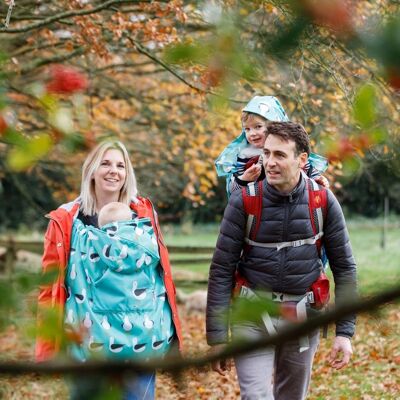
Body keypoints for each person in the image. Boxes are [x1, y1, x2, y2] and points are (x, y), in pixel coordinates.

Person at [206, 122, 357, 400]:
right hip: (251, 315)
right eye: (266, 153)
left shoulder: (322, 201)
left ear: (301, 160)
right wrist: (217, 338)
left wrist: (344, 333)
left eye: (279, 155)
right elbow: (221, 268)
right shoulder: (243, 201)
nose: (269, 162)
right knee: (256, 396)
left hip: (302, 316)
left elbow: (345, 268)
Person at [36, 140, 182, 400]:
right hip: (87, 346)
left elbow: (161, 277)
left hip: (141, 341)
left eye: (120, 165)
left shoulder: (144, 213)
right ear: (91, 170)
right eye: (105, 163)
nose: (113, 170)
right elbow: (50, 287)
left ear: (127, 174)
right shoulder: (66, 220)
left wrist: (171, 337)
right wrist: (47, 348)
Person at [215, 95, 329, 195]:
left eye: (258, 127)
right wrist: (244, 179)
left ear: (274, 125)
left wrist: (317, 179)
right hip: (258, 207)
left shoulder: (288, 148)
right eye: (247, 129)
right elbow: (234, 191)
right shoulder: (244, 155)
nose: (252, 133)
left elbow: (306, 167)